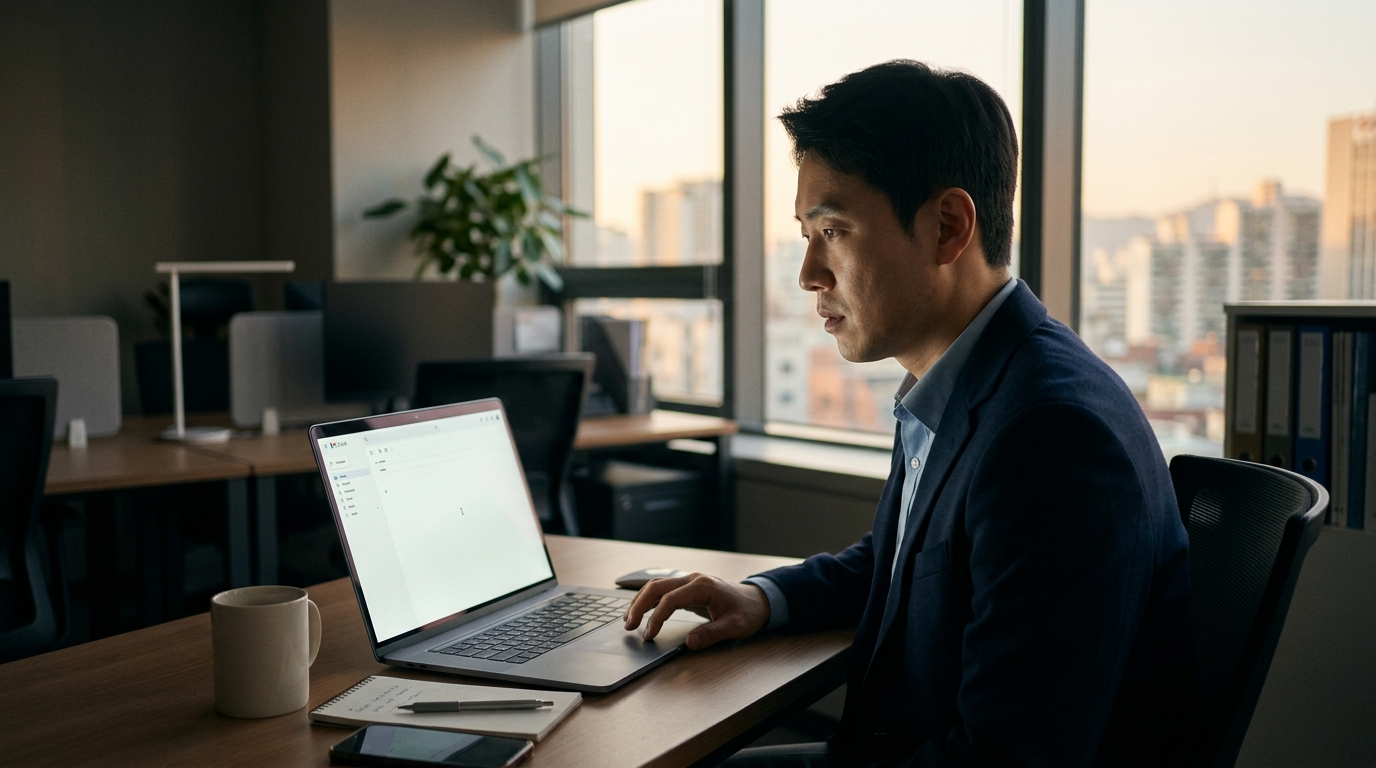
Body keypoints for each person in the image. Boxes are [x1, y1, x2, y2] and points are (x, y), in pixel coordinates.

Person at [622, 60, 1194, 767]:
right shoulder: (976, 378)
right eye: (806, 233)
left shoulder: (1051, 438)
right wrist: (763, 598)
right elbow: (911, 564)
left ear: (948, 226)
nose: (808, 274)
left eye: (832, 230)